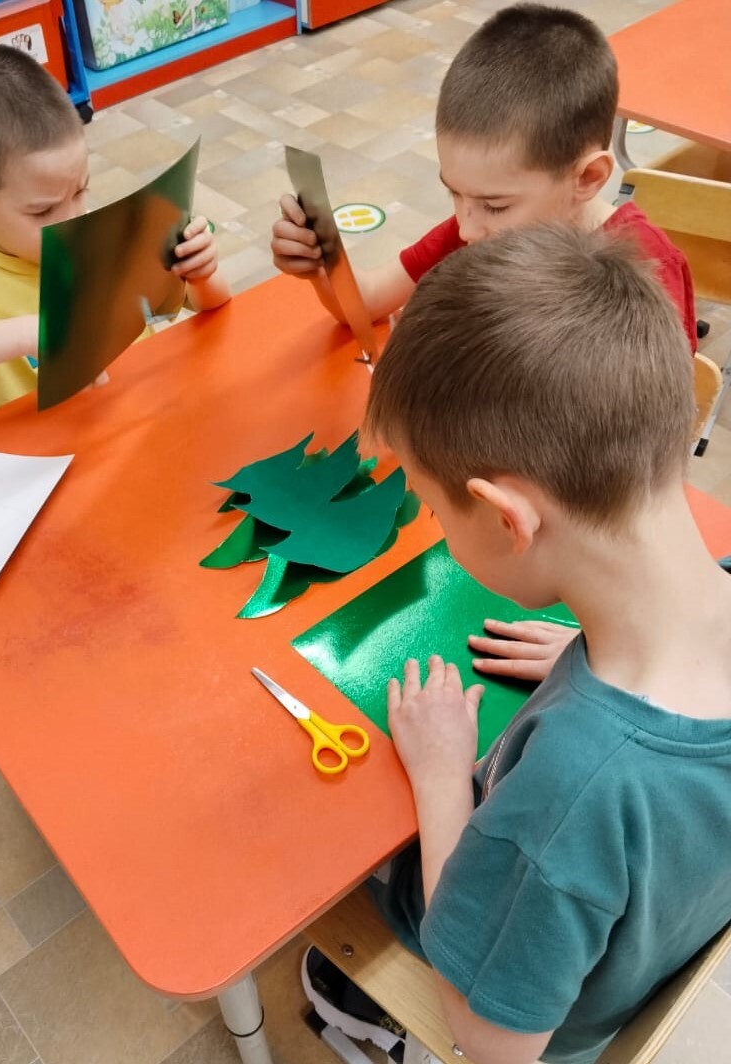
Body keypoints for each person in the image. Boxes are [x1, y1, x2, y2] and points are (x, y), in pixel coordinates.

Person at [302, 225, 731, 1064]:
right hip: (636, 946)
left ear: (507, 520)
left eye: (433, 509)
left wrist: (439, 777)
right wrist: (584, 645)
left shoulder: (575, 794)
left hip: (534, 1010)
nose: (436, 525)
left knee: (322, 854)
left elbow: (489, 1042)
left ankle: (371, 1022)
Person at [270, 3, 697, 357]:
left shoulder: (647, 276)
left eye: (495, 205)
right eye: (453, 193)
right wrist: (323, 267)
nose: (466, 228)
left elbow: (651, 426)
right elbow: (366, 302)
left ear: (587, 177)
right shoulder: (479, 234)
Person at [0, 45, 230, 418]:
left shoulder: (107, 232)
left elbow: (212, 305)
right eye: (43, 210)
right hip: (55, 451)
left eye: (79, 191)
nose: (72, 218)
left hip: (151, 422)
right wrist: (29, 333)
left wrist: (202, 274)